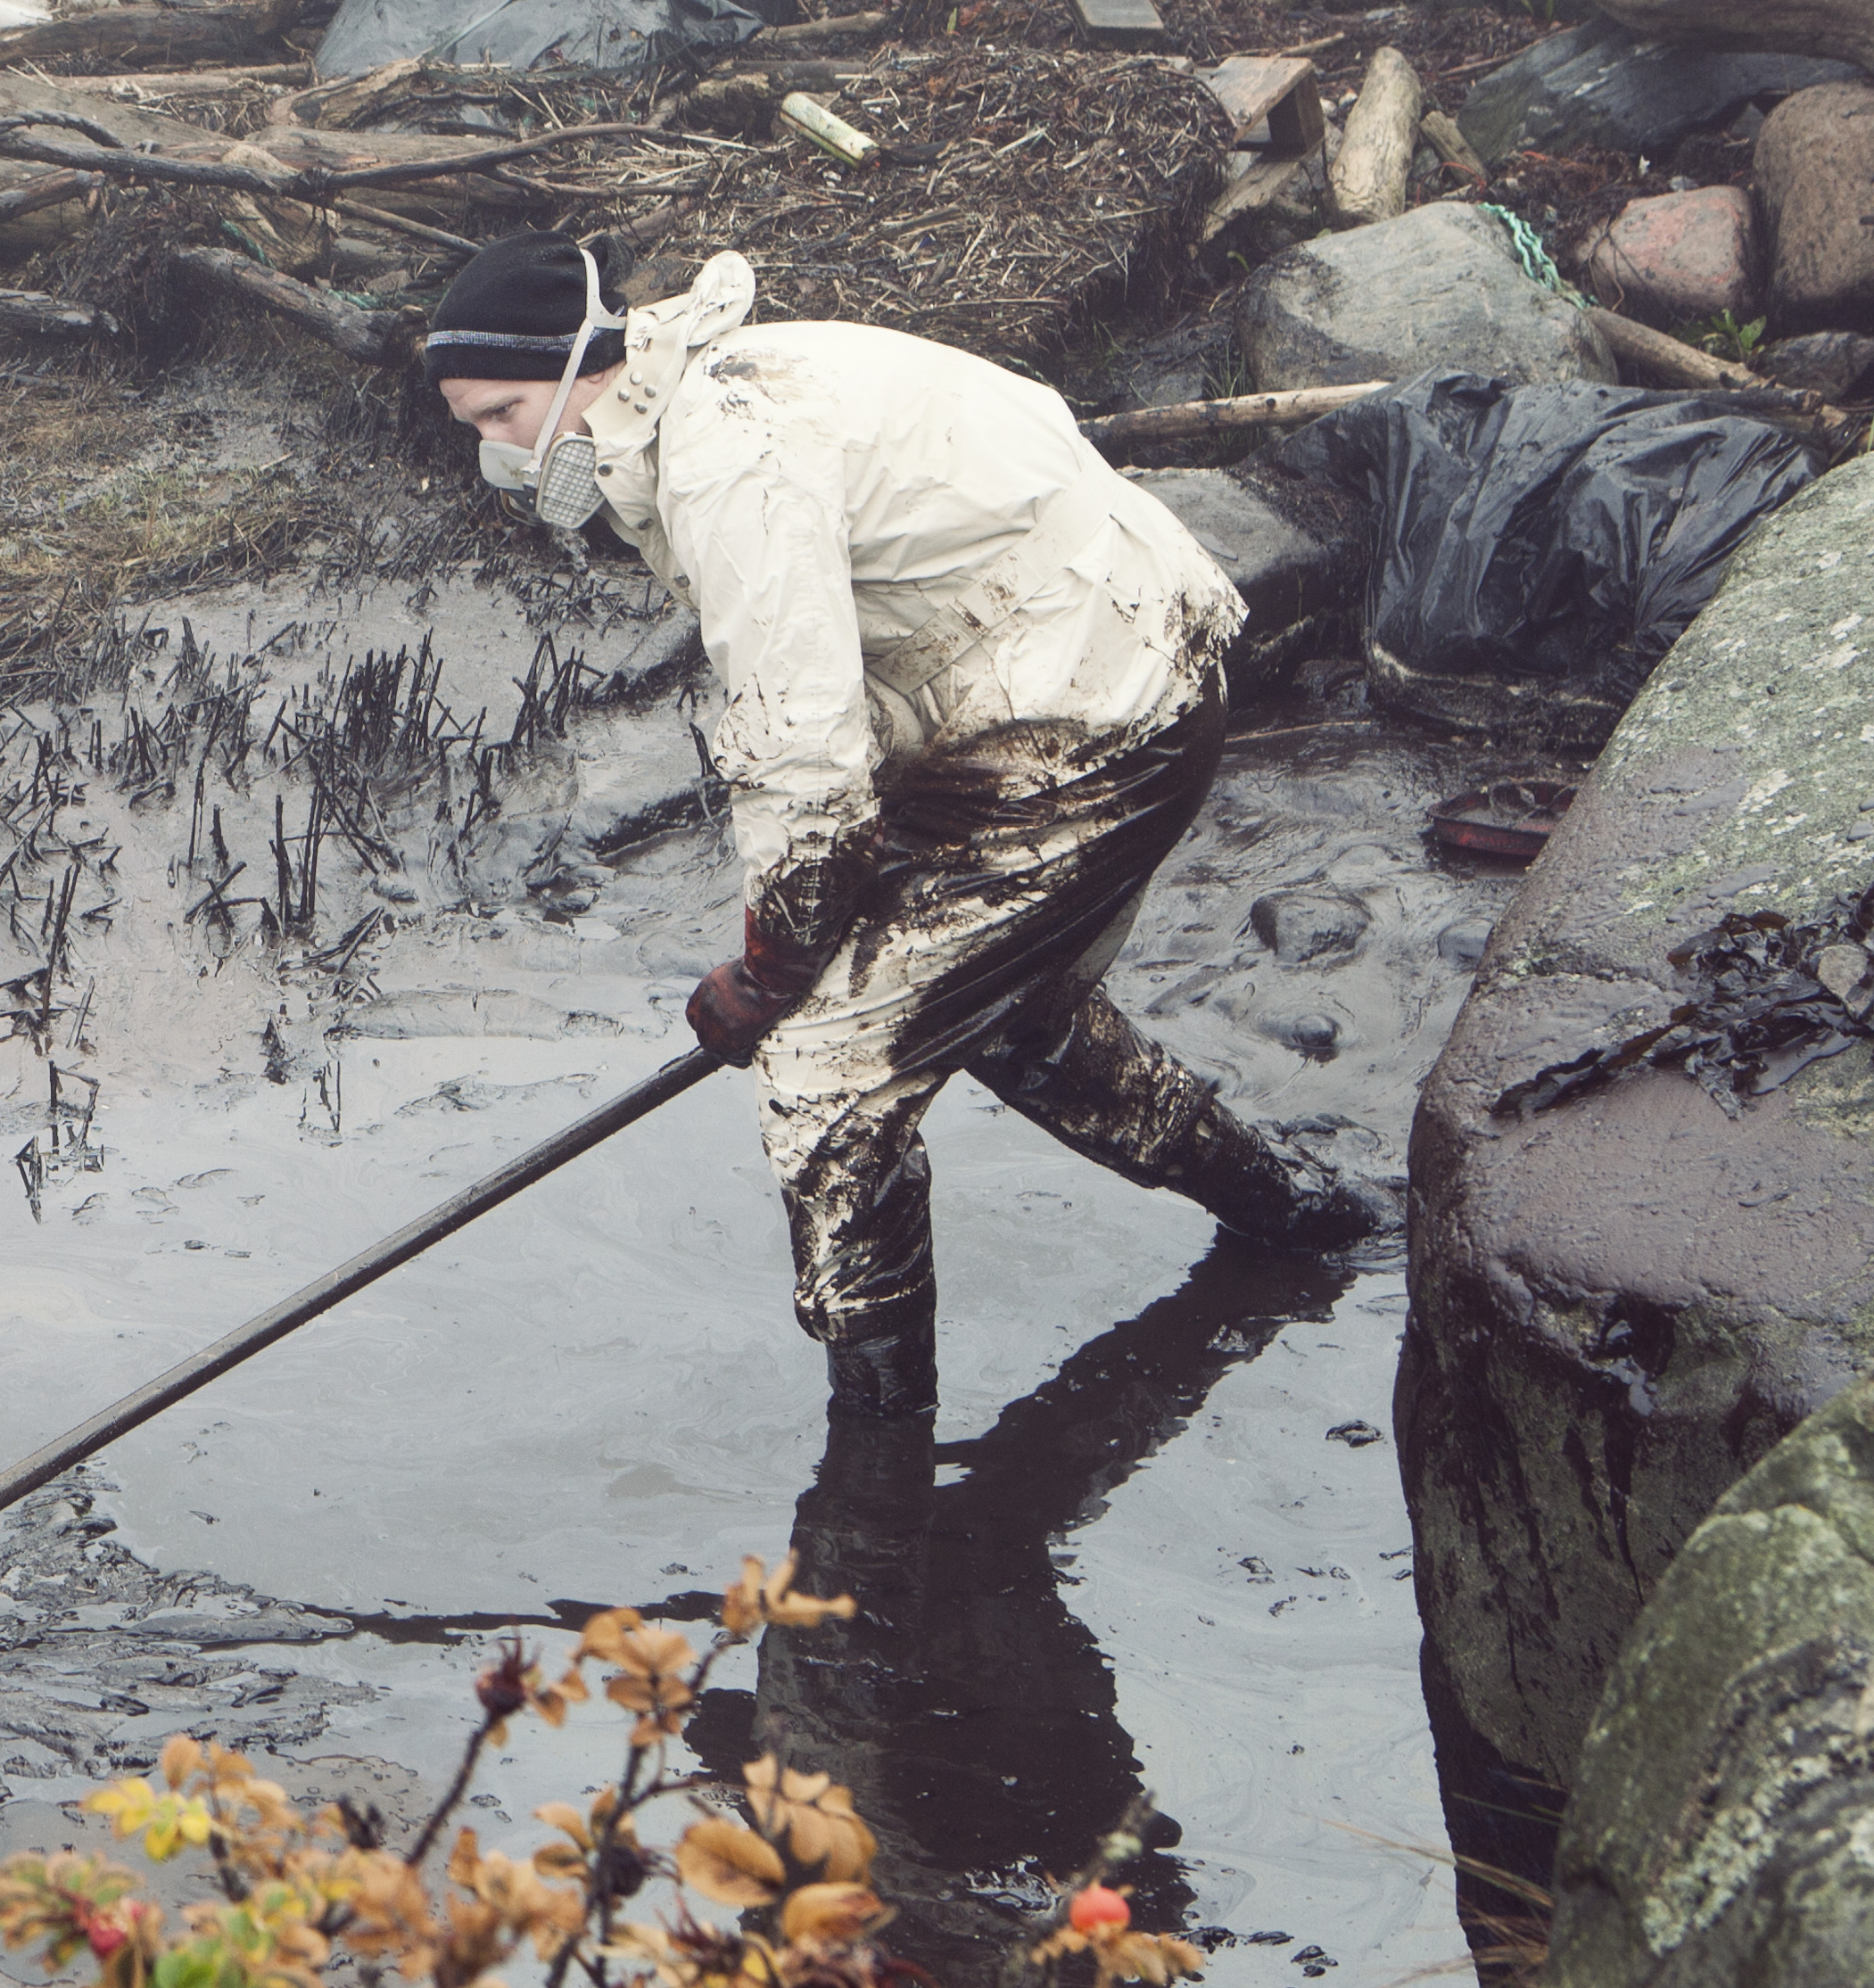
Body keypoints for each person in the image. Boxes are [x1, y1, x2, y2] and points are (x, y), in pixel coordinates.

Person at [422, 235, 1371, 1419]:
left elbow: (801, 749)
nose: (494, 455)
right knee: (1011, 1020)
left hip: (1092, 715)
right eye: (472, 427)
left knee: (827, 1075)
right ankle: (1306, 1218)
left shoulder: (729, 458)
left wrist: (774, 966)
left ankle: (878, 1482)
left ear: (583, 365)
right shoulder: (711, 397)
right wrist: (837, 902)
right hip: (1059, 676)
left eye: (503, 413)